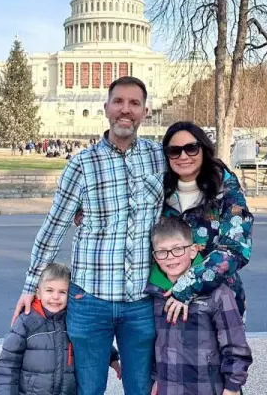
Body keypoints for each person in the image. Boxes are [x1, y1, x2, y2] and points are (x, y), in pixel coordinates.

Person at [12, 76, 165, 395]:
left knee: (142, 388)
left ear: (145, 111)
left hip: (139, 300)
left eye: (134, 103)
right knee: (88, 389)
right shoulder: (82, 164)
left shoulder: (158, 158)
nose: (126, 110)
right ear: (106, 107)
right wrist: (31, 285)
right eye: (119, 102)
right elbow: (54, 225)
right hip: (90, 298)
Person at [154, 121, 253, 324]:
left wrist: (186, 287)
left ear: (203, 149)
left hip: (217, 303)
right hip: (163, 300)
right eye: (174, 151)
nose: (183, 156)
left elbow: (235, 249)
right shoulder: (156, 189)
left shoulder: (226, 188)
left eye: (191, 148)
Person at [146, 217, 252, 395]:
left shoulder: (218, 294)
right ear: (155, 256)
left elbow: (236, 347)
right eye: (162, 252)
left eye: (178, 249)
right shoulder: (155, 295)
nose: (170, 257)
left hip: (207, 388)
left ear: (193, 250)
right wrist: (157, 378)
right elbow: (156, 347)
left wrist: (232, 387)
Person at [0, 263, 121, 395]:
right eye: (49, 290)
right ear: (38, 293)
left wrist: (111, 357)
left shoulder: (73, 319)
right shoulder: (26, 322)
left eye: (62, 292)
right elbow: (7, 365)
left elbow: (90, 340)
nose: (55, 297)